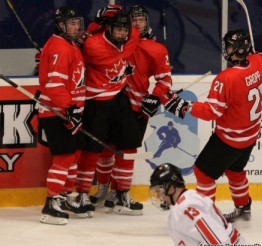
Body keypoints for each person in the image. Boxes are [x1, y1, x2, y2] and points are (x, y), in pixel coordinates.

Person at [165, 29, 262, 222]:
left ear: (236, 50)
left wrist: (185, 106)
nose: (226, 49)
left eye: (229, 46)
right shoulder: (260, 62)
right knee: (235, 171)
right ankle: (244, 207)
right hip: (250, 136)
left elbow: (211, 112)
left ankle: (206, 217)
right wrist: (259, 61)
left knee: (203, 172)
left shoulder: (226, 78)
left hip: (229, 138)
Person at [89, 5, 175, 213]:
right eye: (132, 21)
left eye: (140, 20)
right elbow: (89, 34)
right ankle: (103, 188)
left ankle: (122, 192)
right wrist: (100, 18)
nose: (136, 24)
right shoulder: (111, 42)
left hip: (137, 107)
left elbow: (165, 80)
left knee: (127, 151)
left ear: (147, 22)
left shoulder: (156, 48)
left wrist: (155, 98)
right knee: (105, 149)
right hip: (111, 102)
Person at [75, 8, 145, 216]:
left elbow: (134, 28)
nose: (123, 34)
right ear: (108, 29)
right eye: (118, 30)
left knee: (129, 146)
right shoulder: (93, 45)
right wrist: (96, 23)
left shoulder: (131, 36)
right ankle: (82, 193)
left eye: (125, 30)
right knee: (92, 151)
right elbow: (84, 44)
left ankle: (122, 192)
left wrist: (113, 14)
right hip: (96, 103)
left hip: (119, 99)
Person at [38, 6, 88, 225]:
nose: (77, 27)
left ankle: (66, 197)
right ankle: (51, 203)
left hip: (69, 111)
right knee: (64, 157)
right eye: (72, 23)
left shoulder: (69, 44)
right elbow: (55, 84)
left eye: (78, 22)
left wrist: (74, 110)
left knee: (73, 154)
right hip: (56, 112)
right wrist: (69, 109)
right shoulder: (60, 47)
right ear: (61, 25)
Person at [149, 163, 247, 246]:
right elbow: (184, 245)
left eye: (159, 191)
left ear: (170, 186)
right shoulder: (190, 198)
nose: (158, 196)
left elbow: (218, 242)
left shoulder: (185, 207)